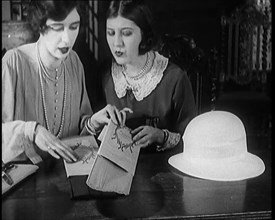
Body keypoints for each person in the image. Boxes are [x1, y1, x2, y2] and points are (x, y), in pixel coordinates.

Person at [2, 0, 128, 164]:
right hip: (25, 177)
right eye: (58, 28)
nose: (67, 38)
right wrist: (32, 131)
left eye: (74, 27)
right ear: (41, 26)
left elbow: (78, 131)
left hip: (67, 172)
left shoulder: (74, 62)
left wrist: (93, 122)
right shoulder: (14, 63)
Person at [99, 0, 197, 153]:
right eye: (110, 33)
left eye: (126, 33)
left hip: (163, 172)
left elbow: (194, 142)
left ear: (143, 34)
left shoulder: (174, 79)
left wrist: (161, 136)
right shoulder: (105, 75)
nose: (117, 43)